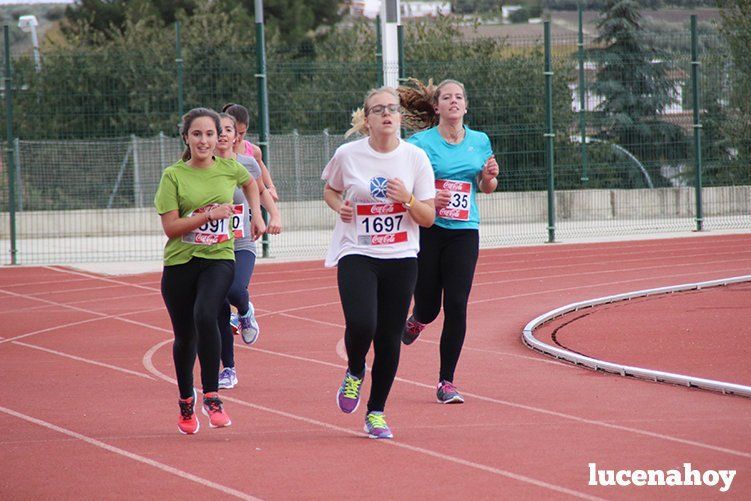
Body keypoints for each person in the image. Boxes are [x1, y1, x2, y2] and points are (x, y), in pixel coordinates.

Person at [322, 87, 436, 439]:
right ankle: (355, 370)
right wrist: (337, 205)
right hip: (357, 251)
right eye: (378, 109)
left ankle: (376, 413)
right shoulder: (348, 154)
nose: (387, 114)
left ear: (399, 117)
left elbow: (428, 217)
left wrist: (408, 199)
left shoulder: (415, 158)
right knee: (361, 323)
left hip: (401, 257)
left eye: (392, 109)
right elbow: (330, 189)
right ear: (367, 119)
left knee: (388, 337)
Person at [154, 107, 266, 434]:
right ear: (186, 138)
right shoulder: (172, 176)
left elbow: (252, 184)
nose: (204, 140)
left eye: (210, 134)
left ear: (220, 138)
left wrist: (256, 216)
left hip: (219, 257)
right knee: (185, 337)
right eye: (197, 134)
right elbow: (172, 228)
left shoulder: (231, 168)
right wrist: (209, 215)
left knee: (207, 315)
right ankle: (186, 400)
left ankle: (213, 397)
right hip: (180, 264)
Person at [397, 78, 500, 404]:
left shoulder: (480, 141)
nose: (454, 102)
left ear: (465, 106)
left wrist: (489, 177)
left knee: (457, 305)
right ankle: (417, 320)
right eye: (447, 97)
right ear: (437, 106)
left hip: (464, 231)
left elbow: (486, 187)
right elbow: (404, 186)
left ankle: (446, 381)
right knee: (429, 306)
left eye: (459, 97)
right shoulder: (420, 143)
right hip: (428, 228)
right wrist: (429, 198)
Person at [214, 113, 282, 390]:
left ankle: (244, 310)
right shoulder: (198, 168)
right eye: (216, 130)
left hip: (242, 242)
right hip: (213, 248)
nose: (221, 135)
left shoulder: (246, 163)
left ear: (235, 136)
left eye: (227, 130)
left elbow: (261, 191)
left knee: (235, 290)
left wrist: (270, 216)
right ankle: (228, 368)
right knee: (217, 310)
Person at [222, 103, 280, 202]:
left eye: (241, 133)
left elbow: (260, 167)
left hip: (248, 207)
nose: (237, 137)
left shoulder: (253, 151)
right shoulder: (216, 151)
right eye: (233, 131)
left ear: (247, 128)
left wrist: (271, 187)